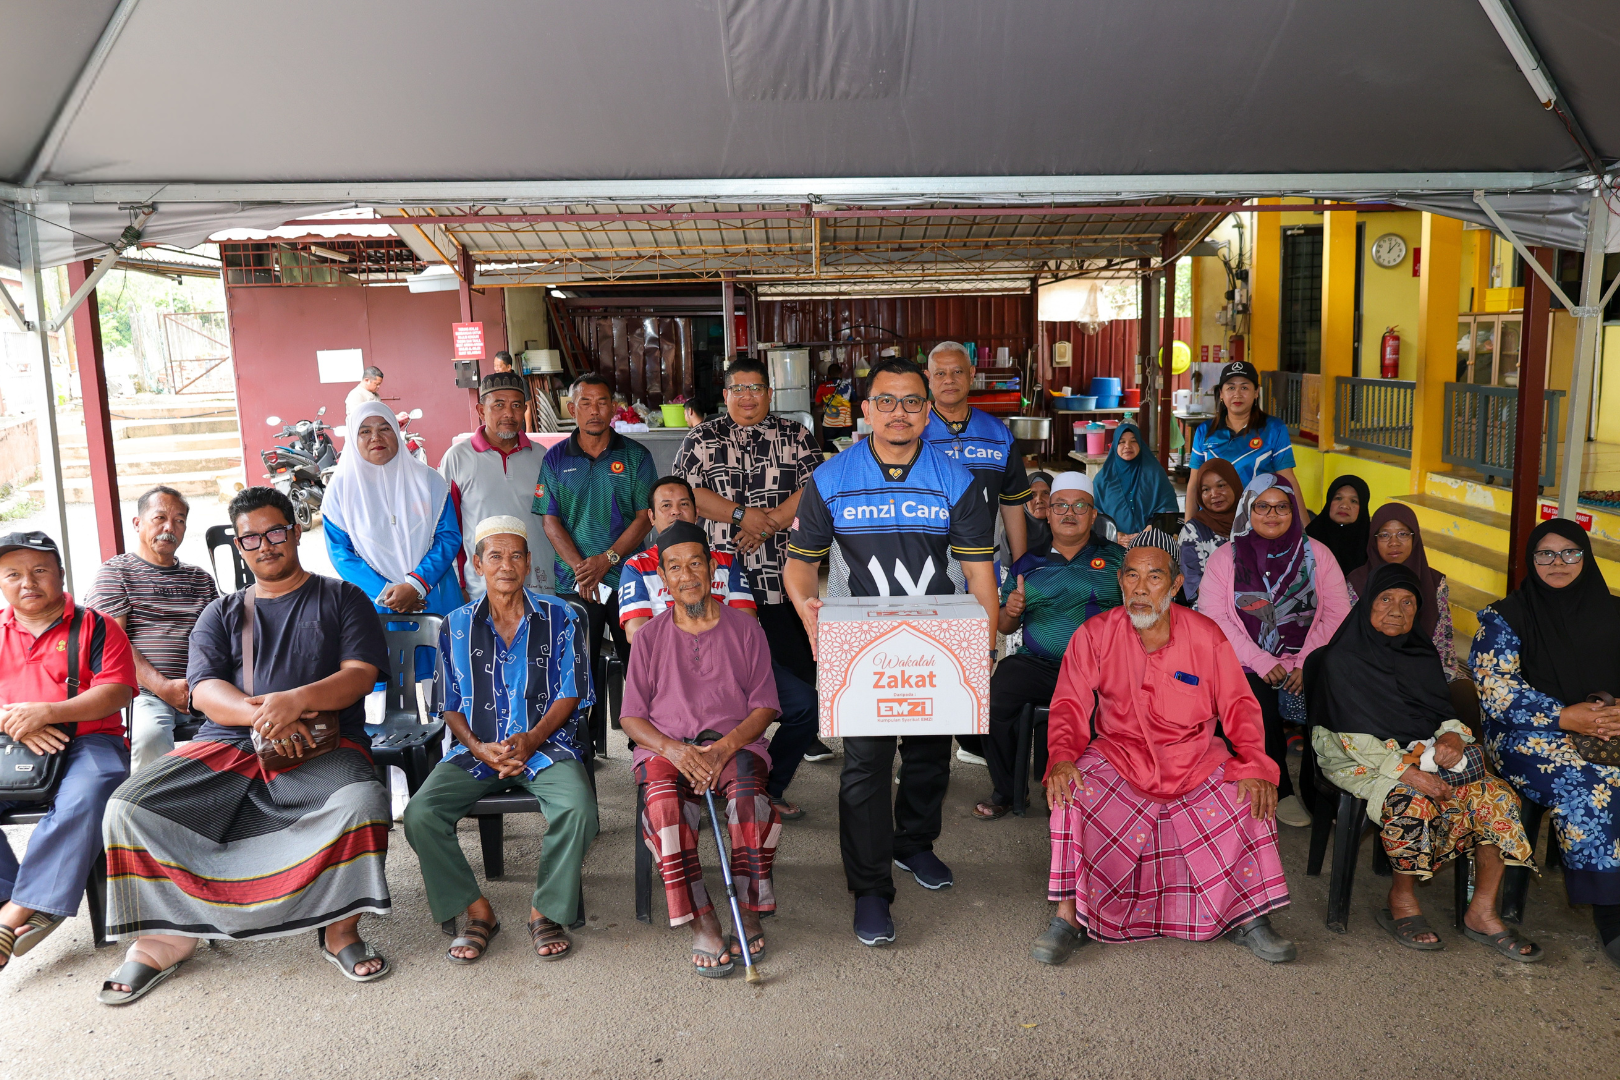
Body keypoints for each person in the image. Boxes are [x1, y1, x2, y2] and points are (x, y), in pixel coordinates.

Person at [99, 487, 393, 1004]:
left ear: (295, 533)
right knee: (128, 806)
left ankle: (339, 928)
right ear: (239, 546)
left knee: (362, 802)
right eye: (251, 538)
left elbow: (360, 675)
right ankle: (166, 935)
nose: (265, 545)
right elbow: (204, 690)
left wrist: (296, 701)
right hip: (230, 743)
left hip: (322, 744)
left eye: (275, 532)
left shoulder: (342, 598)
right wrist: (265, 715)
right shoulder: (222, 612)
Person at [786, 357, 998, 947]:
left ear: (928, 412)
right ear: (866, 411)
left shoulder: (957, 479)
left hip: (937, 645)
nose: (898, 412)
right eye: (886, 400)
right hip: (864, 649)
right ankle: (871, 889)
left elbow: (980, 575)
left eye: (910, 401)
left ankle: (914, 844)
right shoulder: (831, 477)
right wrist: (808, 612)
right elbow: (799, 567)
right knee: (865, 768)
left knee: (930, 757)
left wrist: (981, 650)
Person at [1030, 545, 1295, 967]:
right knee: (1070, 793)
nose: (1140, 588)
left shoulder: (1205, 634)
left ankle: (1248, 915)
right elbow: (1069, 706)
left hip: (1195, 756)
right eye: (1131, 576)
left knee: (1248, 795)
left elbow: (1239, 706)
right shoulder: (1095, 633)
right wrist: (1062, 758)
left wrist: (1254, 764)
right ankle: (1070, 916)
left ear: (1174, 585)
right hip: (1119, 754)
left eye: (1154, 577)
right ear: (1120, 582)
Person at [1309, 564, 1539, 959]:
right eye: (1385, 599)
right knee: (1411, 801)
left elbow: (1440, 713)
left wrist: (1452, 735)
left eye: (1408, 603)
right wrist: (1409, 774)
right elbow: (1351, 739)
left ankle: (1482, 911)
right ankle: (1401, 899)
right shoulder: (1340, 658)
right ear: (1367, 604)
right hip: (1355, 756)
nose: (1396, 610)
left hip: (1419, 749)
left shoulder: (1420, 653)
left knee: (1498, 797)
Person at [402, 517, 597, 964]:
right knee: (421, 815)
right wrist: (476, 747)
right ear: (477, 564)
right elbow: (448, 702)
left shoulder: (561, 616)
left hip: (546, 746)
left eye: (515, 556)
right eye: (495, 556)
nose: (505, 565)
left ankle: (545, 910)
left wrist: (532, 739)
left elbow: (571, 691)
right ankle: (477, 911)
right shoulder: (454, 625)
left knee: (579, 809)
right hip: (477, 751)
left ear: (528, 563)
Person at [618, 522, 782, 978]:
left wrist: (721, 750)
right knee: (664, 806)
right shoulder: (648, 637)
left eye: (696, 564)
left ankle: (747, 908)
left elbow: (765, 705)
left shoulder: (746, 629)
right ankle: (701, 917)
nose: (687, 575)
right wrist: (675, 751)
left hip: (734, 742)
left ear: (712, 569)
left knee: (750, 801)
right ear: (663, 579)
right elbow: (631, 718)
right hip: (667, 748)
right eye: (675, 567)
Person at [618, 477, 817, 819]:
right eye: (666, 506)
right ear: (651, 517)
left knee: (805, 704)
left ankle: (766, 785)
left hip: (733, 661)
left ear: (696, 513)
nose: (676, 512)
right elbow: (637, 634)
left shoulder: (723, 560)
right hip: (671, 668)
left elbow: (747, 623)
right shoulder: (637, 566)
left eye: (684, 504)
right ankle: (697, 782)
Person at [1470, 518, 1620, 968]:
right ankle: (1612, 915)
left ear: (1586, 557)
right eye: (1546, 554)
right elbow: (1494, 688)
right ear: (1530, 560)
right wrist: (1565, 716)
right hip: (1526, 734)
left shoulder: (1613, 612)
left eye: (1570, 552)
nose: (1558, 563)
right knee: (1594, 784)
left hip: (1608, 727)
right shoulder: (1504, 617)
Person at [677, 356, 828, 757]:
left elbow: (815, 488)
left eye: (756, 388)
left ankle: (803, 728)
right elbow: (688, 494)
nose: (747, 396)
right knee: (725, 652)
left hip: (783, 566)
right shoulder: (701, 438)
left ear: (769, 393)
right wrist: (743, 515)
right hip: (721, 571)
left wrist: (771, 522)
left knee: (794, 649)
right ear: (726, 394)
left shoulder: (795, 435)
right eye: (738, 388)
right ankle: (727, 728)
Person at [0, 532, 135, 972]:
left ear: (60, 573)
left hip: (88, 740)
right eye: (13, 574)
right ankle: (16, 899)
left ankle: (18, 911)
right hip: (10, 741)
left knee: (91, 791)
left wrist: (50, 712)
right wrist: (13, 721)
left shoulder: (97, 625)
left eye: (39, 570)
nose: (27, 582)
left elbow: (117, 691)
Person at [1197, 473, 1349, 829]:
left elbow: (1338, 613)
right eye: (1262, 506)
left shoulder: (1318, 555)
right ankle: (1279, 787)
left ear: (1293, 510)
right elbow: (1214, 617)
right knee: (1255, 706)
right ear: (1248, 510)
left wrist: (1304, 661)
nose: (1272, 514)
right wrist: (1261, 660)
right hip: (1247, 662)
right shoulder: (1226, 558)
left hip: (1309, 660)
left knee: (1327, 712)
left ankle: (1318, 790)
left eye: (1282, 507)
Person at [974, 472, 1124, 820]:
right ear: (1049, 513)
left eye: (1079, 506)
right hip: (1040, 665)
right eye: (1060, 506)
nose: (1069, 513)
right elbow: (1006, 625)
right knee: (993, 698)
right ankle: (1007, 789)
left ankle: (1105, 792)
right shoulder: (1028, 563)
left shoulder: (1118, 560)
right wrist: (1011, 611)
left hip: (1101, 668)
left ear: (1093, 514)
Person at [86, 486, 218, 773]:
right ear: (137, 523)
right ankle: (150, 801)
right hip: (144, 693)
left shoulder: (200, 579)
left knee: (247, 729)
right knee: (149, 737)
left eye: (179, 520)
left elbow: (219, 638)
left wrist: (208, 683)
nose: (170, 527)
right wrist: (164, 687)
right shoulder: (115, 573)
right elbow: (112, 645)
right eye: (160, 518)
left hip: (204, 687)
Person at [536, 372, 656, 676]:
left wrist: (607, 559)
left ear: (613, 408)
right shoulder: (555, 458)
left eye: (602, 403)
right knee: (577, 672)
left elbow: (645, 517)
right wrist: (583, 572)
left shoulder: (636, 456)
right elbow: (550, 521)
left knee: (640, 668)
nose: (594, 410)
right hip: (574, 582)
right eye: (585, 403)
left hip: (628, 578)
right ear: (571, 409)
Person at [325, 401, 462, 616]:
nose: (376, 437)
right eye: (365, 431)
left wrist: (416, 585)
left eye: (384, 428)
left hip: (433, 592)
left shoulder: (429, 481)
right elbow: (340, 553)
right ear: (353, 438)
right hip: (377, 601)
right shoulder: (340, 491)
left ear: (397, 433)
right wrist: (387, 593)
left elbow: (448, 537)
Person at [441, 371, 557, 598]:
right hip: (481, 588)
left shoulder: (542, 456)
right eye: (499, 405)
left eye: (516, 405)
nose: (508, 414)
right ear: (481, 410)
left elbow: (554, 521)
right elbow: (450, 528)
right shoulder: (457, 459)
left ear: (525, 409)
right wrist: (460, 583)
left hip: (539, 585)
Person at [923, 340, 1033, 566]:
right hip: (929, 561)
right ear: (928, 378)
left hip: (985, 556)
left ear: (972, 374)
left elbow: (1012, 503)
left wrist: (1021, 565)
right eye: (940, 373)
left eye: (957, 371)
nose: (949, 380)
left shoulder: (997, 432)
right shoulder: (915, 431)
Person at [1346, 504, 1458, 682]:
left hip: (1422, 670)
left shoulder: (1435, 582)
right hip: (1369, 672)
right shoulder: (1357, 582)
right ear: (1374, 540)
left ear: (1415, 537)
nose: (1394, 542)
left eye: (1403, 534)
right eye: (1384, 535)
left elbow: (1443, 644)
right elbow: (1351, 642)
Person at [1185, 360, 1300, 508]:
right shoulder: (1205, 431)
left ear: (1256, 392)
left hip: (1257, 516)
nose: (1237, 394)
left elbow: (1288, 480)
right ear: (1221, 393)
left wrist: (1302, 522)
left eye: (1244, 387)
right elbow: (1194, 484)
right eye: (1231, 388)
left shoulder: (1274, 429)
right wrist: (1189, 522)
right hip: (1213, 517)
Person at [1091, 423, 1179, 550]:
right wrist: (1114, 535)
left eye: (1133, 441)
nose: (1127, 446)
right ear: (1115, 446)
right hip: (1112, 544)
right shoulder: (1103, 479)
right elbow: (1094, 512)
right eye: (1121, 442)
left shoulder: (1155, 473)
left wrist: (1149, 531)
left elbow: (1168, 507)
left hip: (1152, 543)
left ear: (1140, 444)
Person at [1176, 459, 1241, 605]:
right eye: (1206, 489)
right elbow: (1194, 584)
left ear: (1234, 485)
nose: (1214, 494)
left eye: (1221, 485)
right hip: (1208, 610)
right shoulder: (1193, 531)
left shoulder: (1251, 524)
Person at [1304, 474, 1371, 579]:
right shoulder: (1310, 537)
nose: (1344, 505)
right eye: (1338, 498)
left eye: (1353, 501)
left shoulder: (1371, 544)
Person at [815, 362, 854, 451]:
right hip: (845, 424)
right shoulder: (848, 386)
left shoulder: (822, 386)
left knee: (828, 447)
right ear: (840, 374)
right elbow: (853, 400)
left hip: (829, 424)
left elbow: (817, 403)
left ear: (828, 375)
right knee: (845, 449)